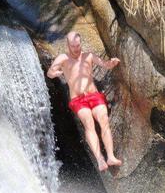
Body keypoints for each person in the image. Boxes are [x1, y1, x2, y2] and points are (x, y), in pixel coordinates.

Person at [47, 31, 122, 172]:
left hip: (94, 95)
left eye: (78, 45)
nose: (76, 48)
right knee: (89, 123)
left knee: (104, 119)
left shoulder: (89, 56)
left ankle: (111, 156)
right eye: (73, 46)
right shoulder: (63, 58)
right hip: (78, 100)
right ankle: (100, 159)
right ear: (68, 45)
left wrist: (112, 63)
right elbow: (50, 73)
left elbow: (105, 65)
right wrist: (54, 73)